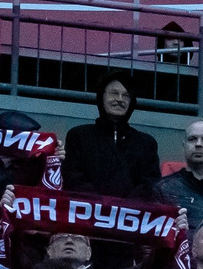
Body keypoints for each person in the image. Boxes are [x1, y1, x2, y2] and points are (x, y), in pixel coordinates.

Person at [63, 75, 160, 204]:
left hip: (130, 218)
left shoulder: (147, 143)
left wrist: (123, 208)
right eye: (114, 93)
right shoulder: (78, 136)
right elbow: (73, 177)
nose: (120, 99)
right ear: (101, 97)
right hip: (85, 216)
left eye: (126, 96)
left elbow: (150, 185)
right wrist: (100, 205)